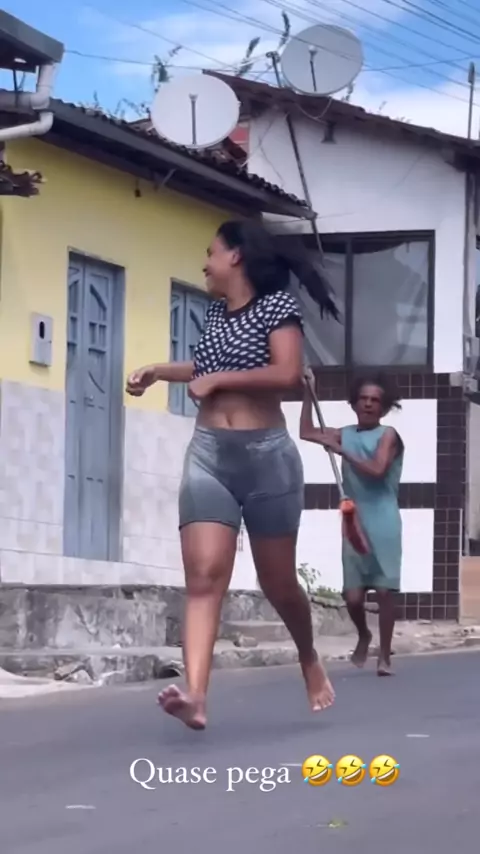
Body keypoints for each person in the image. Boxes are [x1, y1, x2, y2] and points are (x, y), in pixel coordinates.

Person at [125, 220, 339, 729]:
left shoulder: (277, 308)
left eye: (211, 252)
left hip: (267, 458)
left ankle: (308, 655)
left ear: (236, 256)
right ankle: (196, 697)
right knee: (203, 578)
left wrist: (219, 379)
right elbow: (203, 369)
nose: (205, 263)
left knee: (278, 583)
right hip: (208, 455)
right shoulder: (217, 314)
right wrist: (158, 370)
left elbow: (287, 373)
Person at [299, 372, 404, 677]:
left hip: (383, 519)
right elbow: (306, 431)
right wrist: (308, 393)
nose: (368, 404)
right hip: (354, 520)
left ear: (384, 407)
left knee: (384, 591)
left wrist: (342, 450)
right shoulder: (345, 433)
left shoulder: (389, 435)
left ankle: (384, 656)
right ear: (354, 403)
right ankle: (363, 634)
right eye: (363, 399)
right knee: (353, 596)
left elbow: (377, 470)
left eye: (375, 400)